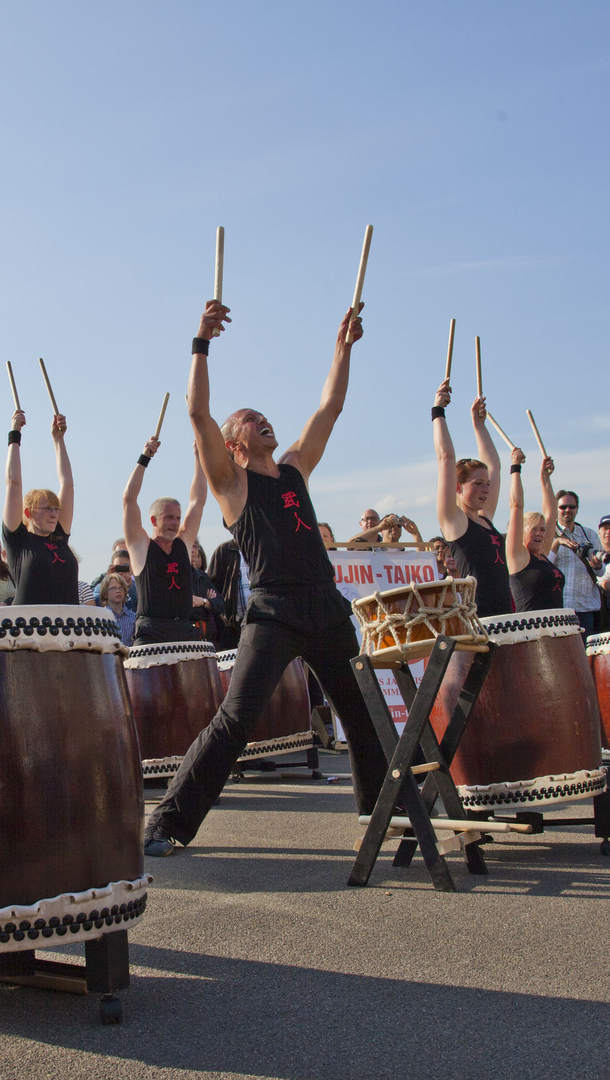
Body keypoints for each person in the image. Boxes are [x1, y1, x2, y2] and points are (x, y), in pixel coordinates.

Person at [143, 299, 387, 857]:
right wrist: (200, 344)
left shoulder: (296, 467)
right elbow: (197, 415)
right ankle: (167, 825)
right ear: (234, 443)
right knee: (235, 720)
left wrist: (341, 348)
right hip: (273, 612)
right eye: (250, 419)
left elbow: (331, 405)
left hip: (325, 607)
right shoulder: (231, 484)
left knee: (360, 710)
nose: (263, 420)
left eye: (262, 415)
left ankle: (380, 814)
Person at [430, 378, 511, 617]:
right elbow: (445, 457)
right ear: (458, 487)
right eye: (477, 484)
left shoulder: (485, 518)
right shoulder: (454, 521)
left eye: (486, 485)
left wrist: (479, 425)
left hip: (505, 616)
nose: (486, 489)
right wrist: (438, 412)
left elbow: (494, 466)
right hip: (477, 619)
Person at [121, 435, 210, 645]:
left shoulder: (183, 543)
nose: (175, 523)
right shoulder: (141, 546)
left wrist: (198, 458)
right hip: (151, 632)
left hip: (184, 629)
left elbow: (197, 501)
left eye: (178, 518)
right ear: (153, 520)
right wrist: (145, 457)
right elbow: (128, 499)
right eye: (169, 517)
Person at [2, 404, 78, 605]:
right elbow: (13, 482)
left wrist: (58, 440)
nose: (54, 514)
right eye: (47, 509)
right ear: (29, 512)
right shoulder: (18, 541)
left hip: (66, 628)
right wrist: (15, 434)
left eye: (56, 509)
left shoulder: (60, 535)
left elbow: (68, 485)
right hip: (31, 629)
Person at [503, 450, 561, 612]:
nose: (540, 533)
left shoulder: (542, 552)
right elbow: (516, 506)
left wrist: (545, 478)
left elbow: (551, 513)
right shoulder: (518, 556)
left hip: (555, 626)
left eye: (542, 530)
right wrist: (516, 468)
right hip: (531, 630)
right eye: (534, 529)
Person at [551, 490, 606, 633]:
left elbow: (601, 573)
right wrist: (556, 544)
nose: (567, 510)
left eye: (571, 507)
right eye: (563, 507)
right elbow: (545, 566)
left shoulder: (589, 535)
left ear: (577, 509)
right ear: (556, 508)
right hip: (560, 607)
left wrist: (597, 565)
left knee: (586, 653)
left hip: (585, 606)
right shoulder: (547, 534)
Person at [99, 571, 138, 646]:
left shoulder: (134, 617)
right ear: (105, 593)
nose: (118, 591)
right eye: (113, 588)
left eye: (121, 588)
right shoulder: (100, 618)